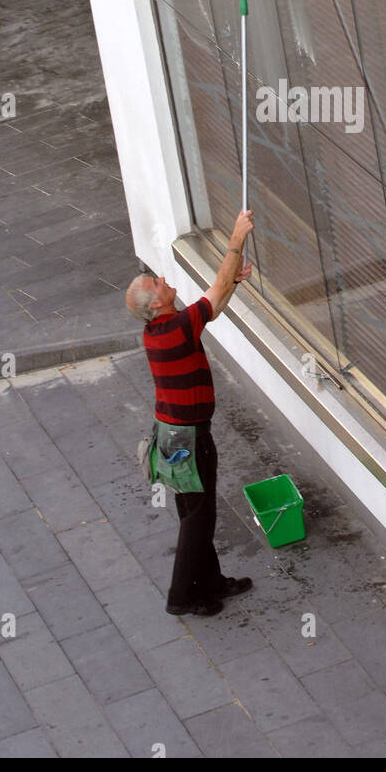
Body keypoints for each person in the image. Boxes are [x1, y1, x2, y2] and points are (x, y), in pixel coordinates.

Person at [125, 208, 255, 616]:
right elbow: (212, 292)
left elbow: (213, 307)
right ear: (156, 303)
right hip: (190, 438)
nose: (164, 280)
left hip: (173, 435)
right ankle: (182, 597)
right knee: (198, 518)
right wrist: (236, 239)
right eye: (157, 283)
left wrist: (233, 281)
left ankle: (210, 582)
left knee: (192, 512)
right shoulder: (177, 328)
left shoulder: (161, 331)